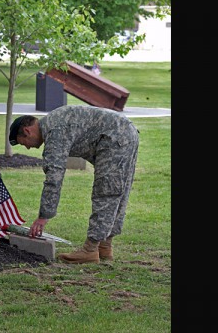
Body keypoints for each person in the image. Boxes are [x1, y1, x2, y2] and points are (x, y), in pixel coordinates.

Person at [8, 105, 139, 264]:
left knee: (106, 192)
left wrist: (44, 216)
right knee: (118, 190)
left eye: (24, 143)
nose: (27, 147)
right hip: (126, 133)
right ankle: (104, 247)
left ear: (27, 131)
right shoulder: (54, 121)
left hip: (114, 136)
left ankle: (90, 250)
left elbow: (54, 177)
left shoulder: (54, 132)